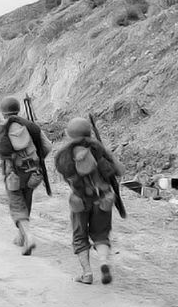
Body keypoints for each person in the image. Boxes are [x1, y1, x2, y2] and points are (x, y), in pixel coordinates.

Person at [54, 117, 126, 285]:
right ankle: (104, 263)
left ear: (69, 134)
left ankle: (87, 274)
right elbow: (120, 171)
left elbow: (63, 176)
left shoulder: (64, 156)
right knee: (101, 235)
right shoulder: (99, 149)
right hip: (103, 198)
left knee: (80, 236)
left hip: (80, 200)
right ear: (89, 132)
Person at [0, 96, 52, 255]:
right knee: (26, 200)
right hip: (34, 172)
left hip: (13, 174)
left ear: (2, 113)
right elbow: (47, 147)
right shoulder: (30, 127)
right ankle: (21, 237)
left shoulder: (1, 130)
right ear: (18, 110)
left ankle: (28, 236)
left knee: (16, 205)